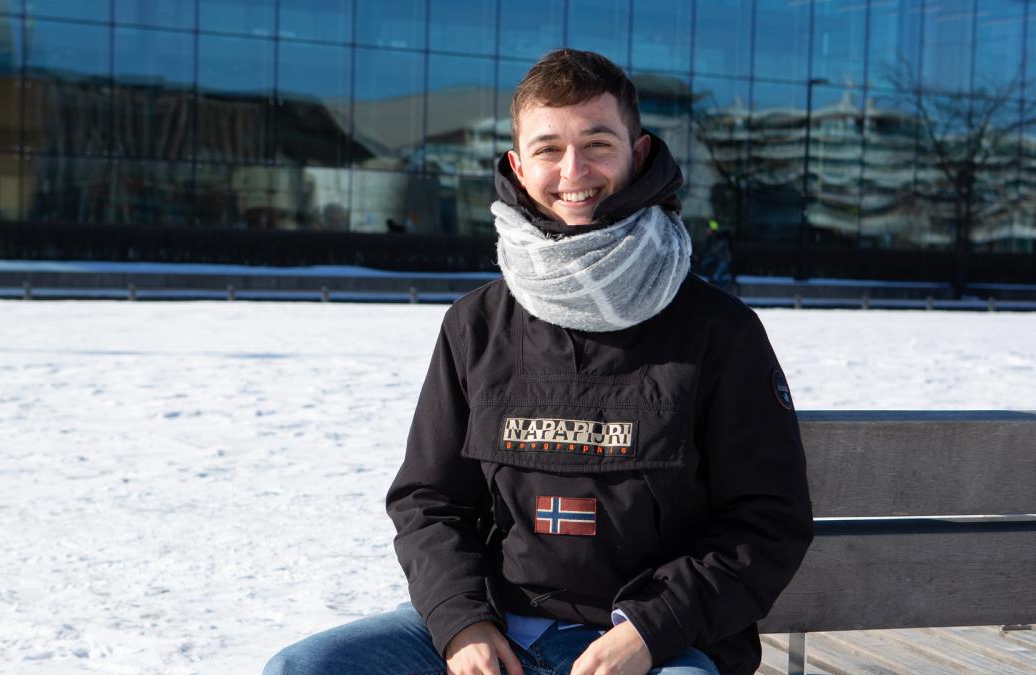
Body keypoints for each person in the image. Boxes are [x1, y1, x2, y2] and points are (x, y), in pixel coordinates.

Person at [265, 49, 812, 675]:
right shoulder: (475, 325)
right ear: (519, 168)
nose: (573, 170)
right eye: (549, 149)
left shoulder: (719, 330)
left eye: (597, 143)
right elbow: (429, 500)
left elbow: (765, 522)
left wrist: (649, 631)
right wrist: (461, 622)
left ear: (638, 155)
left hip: (659, 643)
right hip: (494, 624)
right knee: (303, 668)